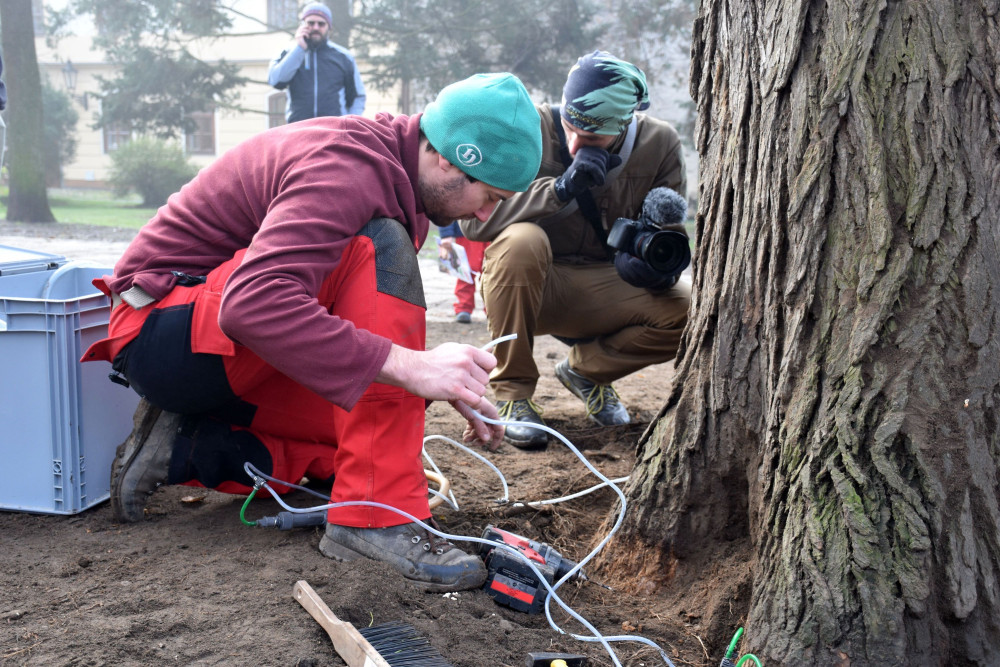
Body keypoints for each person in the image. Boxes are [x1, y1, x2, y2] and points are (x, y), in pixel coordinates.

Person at [82, 73, 542, 592]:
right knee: (378, 253)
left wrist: (434, 379)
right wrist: (411, 364)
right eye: (490, 196)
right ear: (448, 159)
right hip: (163, 333)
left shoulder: (392, 170)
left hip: (203, 347)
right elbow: (254, 302)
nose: (485, 215)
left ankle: (187, 442)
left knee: (357, 438)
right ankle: (376, 518)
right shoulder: (352, 166)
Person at [459, 51, 690, 450]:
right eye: (569, 126)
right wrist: (560, 188)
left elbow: (666, 232)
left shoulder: (660, 143)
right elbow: (473, 221)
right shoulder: (529, 128)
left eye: (592, 137)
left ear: (624, 125)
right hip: (531, 283)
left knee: (690, 307)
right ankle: (513, 395)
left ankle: (587, 373)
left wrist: (654, 268)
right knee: (521, 239)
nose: (574, 142)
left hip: (606, 287)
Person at [268, 2, 366, 123]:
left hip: (333, 132)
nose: (315, 27)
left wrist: (349, 123)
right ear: (302, 25)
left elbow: (358, 96)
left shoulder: (343, 57)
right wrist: (300, 49)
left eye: (321, 24)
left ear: (329, 27)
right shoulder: (288, 53)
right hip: (298, 131)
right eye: (310, 23)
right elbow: (276, 81)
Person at [437, 221, 489, 324]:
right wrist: (446, 234)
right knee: (465, 271)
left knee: (492, 273)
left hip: (494, 228)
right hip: (467, 229)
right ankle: (463, 307)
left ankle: (493, 309)